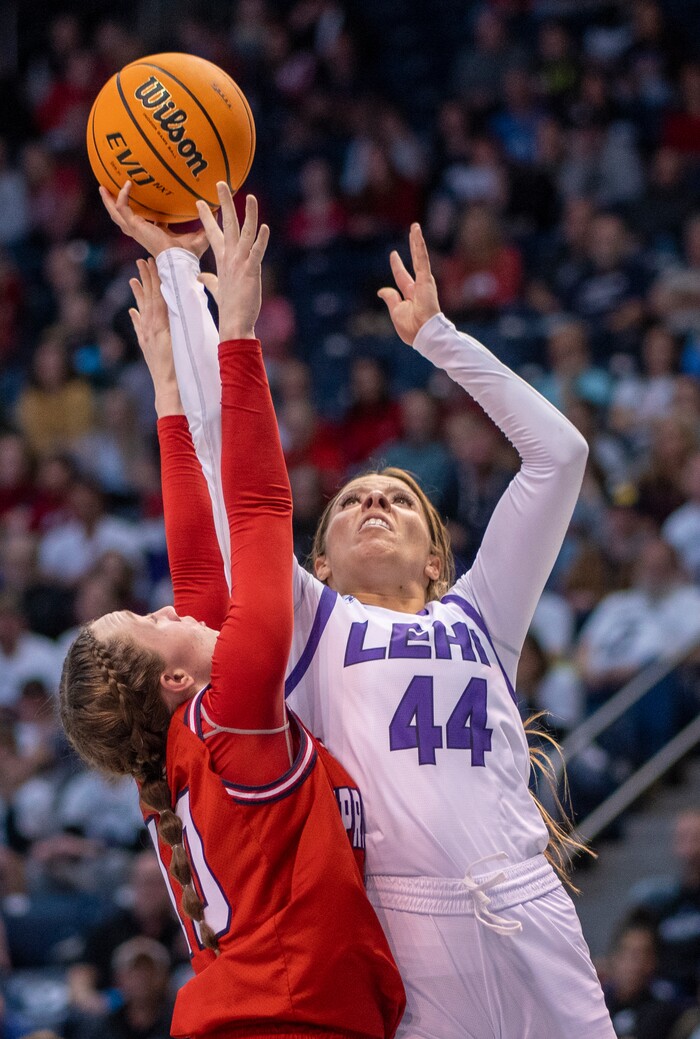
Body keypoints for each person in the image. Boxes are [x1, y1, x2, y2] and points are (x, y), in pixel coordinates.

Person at [103, 182, 614, 1038]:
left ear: (439, 555)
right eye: (352, 502)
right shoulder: (308, 624)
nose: (375, 504)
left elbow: (559, 455)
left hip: (533, 909)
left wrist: (440, 340)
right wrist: (190, 281)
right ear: (319, 560)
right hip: (406, 934)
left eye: (400, 501)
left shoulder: (486, 617)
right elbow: (227, 463)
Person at [60, 186, 404, 1039]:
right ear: (172, 676)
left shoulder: (192, 741)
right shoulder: (228, 720)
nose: (169, 603)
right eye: (151, 618)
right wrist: (240, 330)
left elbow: (201, 568)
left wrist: (171, 393)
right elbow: (253, 510)